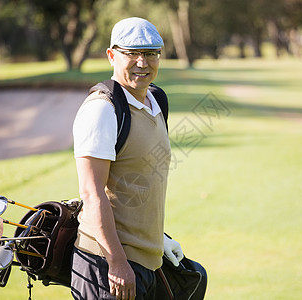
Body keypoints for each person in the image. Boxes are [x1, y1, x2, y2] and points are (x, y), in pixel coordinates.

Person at [71, 17, 184, 300]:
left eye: (149, 53)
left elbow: (139, 183)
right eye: (131, 53)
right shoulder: (102, 110)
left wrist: (158, 240)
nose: (142, 62)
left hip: (148, 260)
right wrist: (118, 262)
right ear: (111, 55)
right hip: (106, 268)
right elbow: (91, 191)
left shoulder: (157, 100)